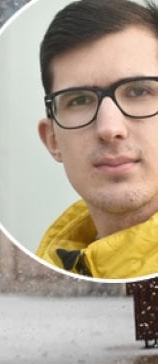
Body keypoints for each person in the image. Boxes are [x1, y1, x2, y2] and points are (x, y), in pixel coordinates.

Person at [36, 0, 158, 279]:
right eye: (79, 99)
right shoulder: (61, 261)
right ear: (53, 140)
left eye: (138, 92)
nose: (109, 128)